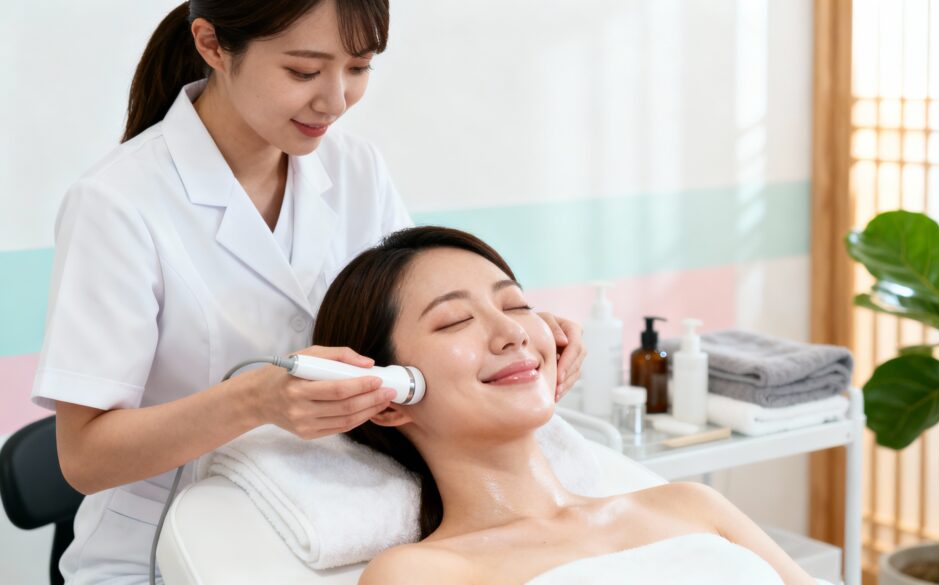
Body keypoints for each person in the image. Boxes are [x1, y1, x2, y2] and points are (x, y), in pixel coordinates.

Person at [31, 2, 583, 583]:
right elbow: (85, 459)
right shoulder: (117, 203)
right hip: (161, 554)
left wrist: (521, 333)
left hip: (331, 525)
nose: (335, 101)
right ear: (212, 45)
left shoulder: (356, 169)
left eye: (359, 67)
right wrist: (255, 401)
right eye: (303, 71)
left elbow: (411, 324)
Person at [310, 226, 822, 585]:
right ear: (388, 397)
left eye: (517, 305)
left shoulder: (690, 505)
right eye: (454, 321)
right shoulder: (420, 574)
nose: (513, 332)